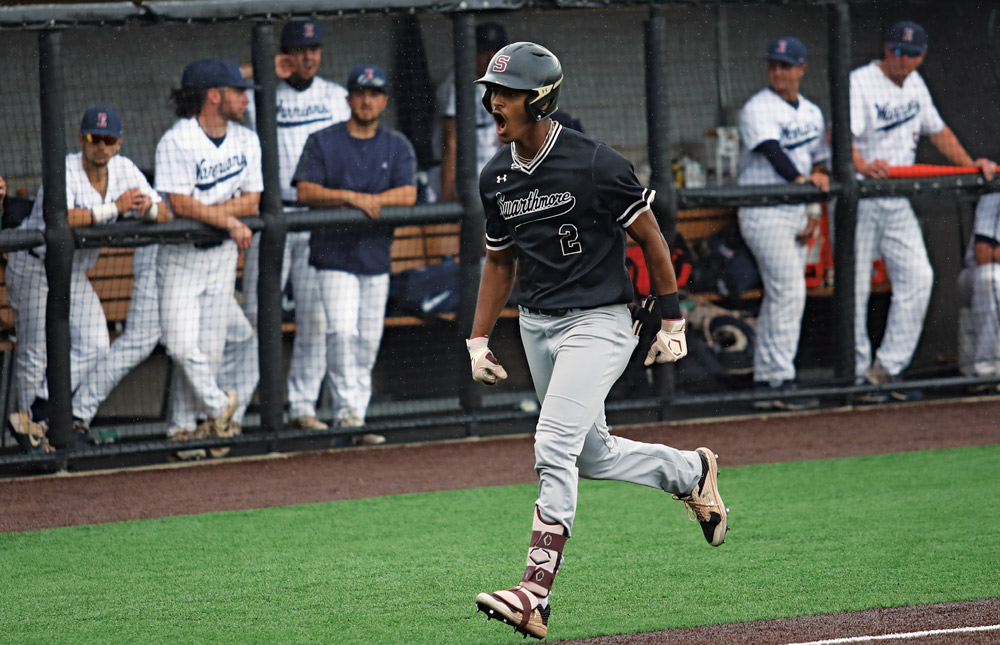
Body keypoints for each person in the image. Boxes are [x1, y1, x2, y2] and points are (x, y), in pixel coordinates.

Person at [466, 42, 728, 640]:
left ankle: (534, 595)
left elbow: (652, 241)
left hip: (602, 321)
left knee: (552, 445)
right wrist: (478, 340)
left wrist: (671, 320)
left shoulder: (596, 163)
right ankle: (691, 471)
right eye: (491, 91)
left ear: (539, 98)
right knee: (591, 454)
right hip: (536, 325)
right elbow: (498, 263)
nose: (492, 101)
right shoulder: (495, 176)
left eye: (504, 92)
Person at [849, 20, 996, 400]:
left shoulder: (915, 84)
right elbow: (840, 139)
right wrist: (862, 163)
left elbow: (938, 130)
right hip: (861, 195)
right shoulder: (861, 80)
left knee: (918, 277)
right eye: (897, 52)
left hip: (896, 198)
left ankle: (885, 371)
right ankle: (854, 374)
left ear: (922, 56)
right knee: (856, 285)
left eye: (911, 54)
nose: (903, 60)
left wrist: (969, 165)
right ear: (886, 50)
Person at [6, 106, 162, 451]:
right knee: (35, 353)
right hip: (35, 266)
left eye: (108, 140)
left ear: (119, 143)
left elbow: (162, 210)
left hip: (71, 271)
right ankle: (31, 432)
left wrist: (145, 207)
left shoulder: (124, 169)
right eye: (94, 138)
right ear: (82, 140)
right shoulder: (64, 167)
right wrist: (116, 208)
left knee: (95, 343)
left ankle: (38, 411)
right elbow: (59, 218)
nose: (101, 146)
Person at [293, 64, 417, 446]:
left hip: (375, 255)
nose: (366, 99)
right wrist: (350, 197)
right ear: (348, 98)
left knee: (367, 339)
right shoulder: (322, 140)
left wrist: (372, 201)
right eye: (359, 92)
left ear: (383, 101)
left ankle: (354, 414)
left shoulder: (396, 144)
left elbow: (408, 194)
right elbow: (305, 192)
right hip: (333, 255)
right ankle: (348, 414)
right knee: (341, 331)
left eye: (374, 93)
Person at [241, 20, 351, 432]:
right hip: (273, 217)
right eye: (299, 50)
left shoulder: (336, 96)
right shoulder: (260, 94)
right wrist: (265, 67)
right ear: (285, 53)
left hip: (317, 217)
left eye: (313, 49)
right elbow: (215, 87)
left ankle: (302, 405)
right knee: (255, 313)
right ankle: (236, 406)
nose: (307, 57)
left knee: (316, 317)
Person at [154, 59, 261, 456]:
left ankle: (185, 430)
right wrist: (230, 219)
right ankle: (220, 408)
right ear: (214, 96)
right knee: (182, 346)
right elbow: (180, 203)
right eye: (238, 92)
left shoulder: (247, 139)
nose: (245, 99)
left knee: (209, 351)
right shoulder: (177, 140)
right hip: (181, 259)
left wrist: (217, 214)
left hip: (219, 258)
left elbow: (254, 199)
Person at [737, 37, 829, 411]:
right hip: (764, 209)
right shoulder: (757, 107)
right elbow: (774, 153)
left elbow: (819, 162)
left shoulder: (812, 111)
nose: (778, 71)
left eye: (786, 65)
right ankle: (779, 377)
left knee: (784, 293)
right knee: (790, 290)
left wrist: (812, 209)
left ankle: (769, 379)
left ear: (802, 68)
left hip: (797, 210)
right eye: (774, 64)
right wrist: (802, 187)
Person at [435, 22, 507, 202]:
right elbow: (450, 142)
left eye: (495, 52)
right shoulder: (455, 84)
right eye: (483, 51)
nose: (490, 57)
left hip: (494, 174)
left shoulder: (507, 84)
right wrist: (447, 192)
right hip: (463, 176)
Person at [957, 193, 1000, 385]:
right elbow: (983, 254)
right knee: (990, 277)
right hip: (975, 277)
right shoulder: (993, 196)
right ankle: (986, 372)